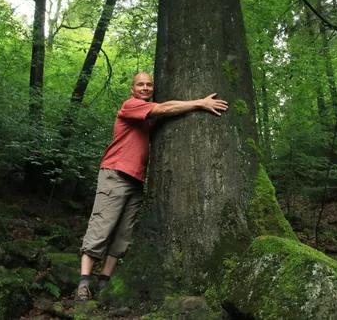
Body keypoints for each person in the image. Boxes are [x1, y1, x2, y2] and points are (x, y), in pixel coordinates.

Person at [76, 72, 228, 301]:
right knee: (102, 225)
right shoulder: (131, 105)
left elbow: (167, 106)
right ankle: (83, 283)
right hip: (116, 174)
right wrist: (200, 103)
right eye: (140, 84)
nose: (145, 88)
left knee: (123, 234)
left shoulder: (148, 112)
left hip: (136, 180)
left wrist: (196, 102)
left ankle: (104, 282)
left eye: (149, 85)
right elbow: (165, 109)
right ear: (132, 89)